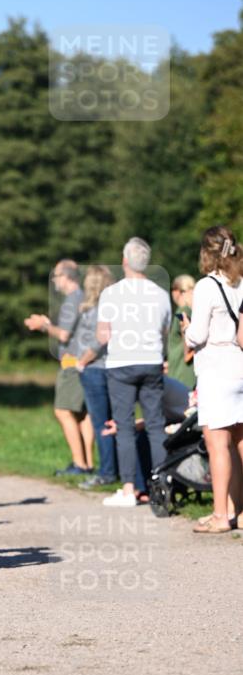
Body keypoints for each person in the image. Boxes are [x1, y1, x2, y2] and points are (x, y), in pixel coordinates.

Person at [97, 237, 171, 507]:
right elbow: (164, 332)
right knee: (155, 426)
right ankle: (163, 488)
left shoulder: (111, 294)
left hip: (121, 363)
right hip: (151, 361)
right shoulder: (161, 294)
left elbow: (103, 336)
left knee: (125, 427)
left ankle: (128, 489)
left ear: (125, 260)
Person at [184, 226, 243, 533]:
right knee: (240, 442)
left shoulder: (206, 286)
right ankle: (239, 511)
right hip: (241, 366)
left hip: (217, 370)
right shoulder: (242, 282)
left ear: (206, 252)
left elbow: (198, 334)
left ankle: (220, 516)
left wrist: (185, 330)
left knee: (218, 444)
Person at [25, 259, 94, 476]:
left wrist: (43, 325)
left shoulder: (73, 299)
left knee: (63, 411)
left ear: (66, 277)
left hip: (73, 364)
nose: (54, 280)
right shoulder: (83, 297)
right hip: (85, 362)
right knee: (82, 414)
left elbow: (64, 334)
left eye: (56, 275)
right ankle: (88, 463)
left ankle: (79, 464)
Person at [73, 265, 118, 489]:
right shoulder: (110, 306)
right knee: (114, 421)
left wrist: (82, 360)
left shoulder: (97, 308)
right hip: (109, 368)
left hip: (95, 368)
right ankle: (117, 469)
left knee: (101, 423)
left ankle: (107, 472)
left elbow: (101, 338)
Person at [167, 274, 196, 389]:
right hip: (183, 371)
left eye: (173, 289)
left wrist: (187, 353)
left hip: (182, 373)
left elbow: (188, 341)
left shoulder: (182, 312)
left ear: (178, 291)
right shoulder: (190, 310)